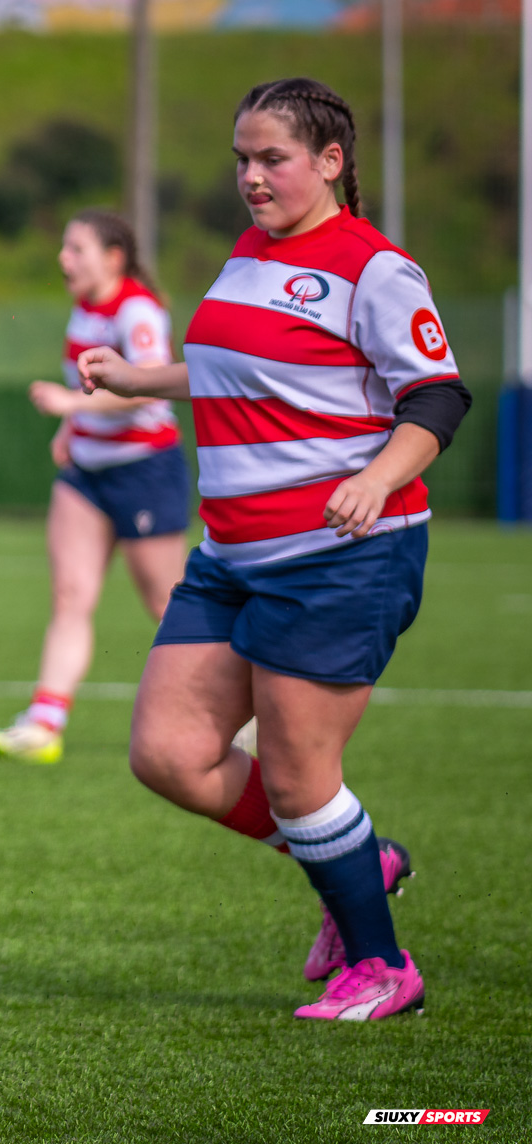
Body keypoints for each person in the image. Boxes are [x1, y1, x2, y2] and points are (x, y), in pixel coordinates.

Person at [76, 79, 469, 1021]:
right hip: (232, 556)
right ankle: (358, 863)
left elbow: (438, 396)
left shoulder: (376, 269)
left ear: (330, 162)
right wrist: (136, 379)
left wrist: (377, 479)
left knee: (299, 778)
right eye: (242, 160)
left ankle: (383, 966)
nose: (251, 177)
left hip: (340, 557)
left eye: (272, 159)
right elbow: (234, 369)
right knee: (169, 753)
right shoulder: (251, 253)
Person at [0, 209, 189, 764]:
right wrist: (73, 428)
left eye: (77, 249)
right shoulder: (85, 309)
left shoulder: (137, 309)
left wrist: (70, 405)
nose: (63, 258)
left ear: (113, 258)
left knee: (168, 603)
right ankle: (44, 725)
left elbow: (149, 387)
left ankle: (238, 712)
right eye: (64, 247)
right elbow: (93, 386)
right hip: (86, 473)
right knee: (70, 597)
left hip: (145, 470)